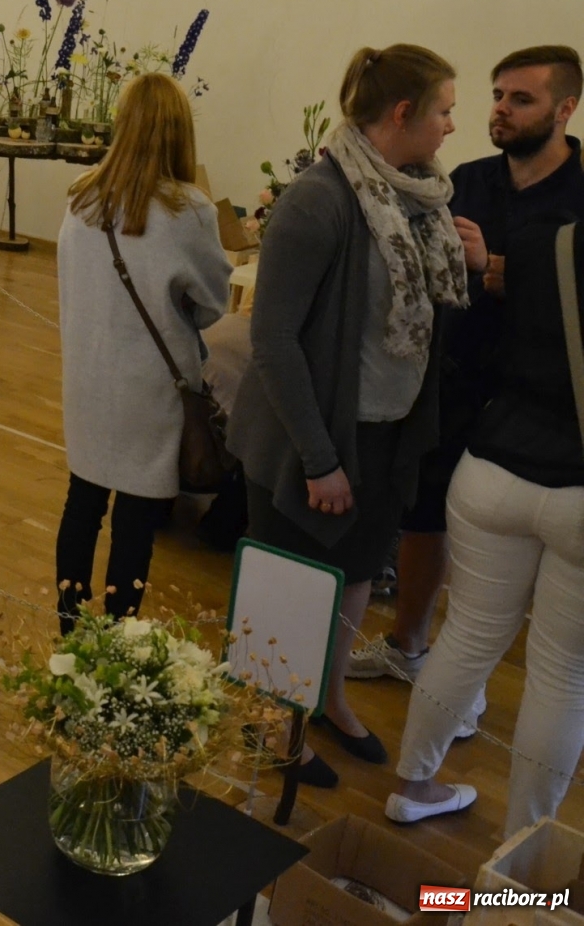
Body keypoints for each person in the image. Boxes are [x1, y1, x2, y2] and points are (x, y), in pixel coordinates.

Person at [227, 44, 479, 786]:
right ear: (402, 114)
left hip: (385, 433)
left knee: (357, 576)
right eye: (443, 110)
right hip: (310, 438)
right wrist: (319, 458)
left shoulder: (420, 196)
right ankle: (274, 722)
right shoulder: (321, 197)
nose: (451, 126)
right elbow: (270, 339)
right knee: (289, 588)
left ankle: (330, 700)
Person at [351, 47, 584, 700]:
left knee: (508, 568)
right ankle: (411, 645)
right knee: (424, 517)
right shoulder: (472, 179)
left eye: (522, 99)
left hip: (539, 407)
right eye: (498, 95)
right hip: (453, 378)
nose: (501, 110)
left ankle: (472, 675)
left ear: (566, 109)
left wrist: (495, 266)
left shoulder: (580, 197)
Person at [388, 218, 584, 832]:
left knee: (466, 637)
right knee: (561, 676)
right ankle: (523, 864)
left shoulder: (540, 242)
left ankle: (412, 785)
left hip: (493, 464)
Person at [53, 74, 232, 635]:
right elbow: (212, 303)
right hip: (151, 383)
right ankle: (117, 637)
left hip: (87, 373)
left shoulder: (82, 195)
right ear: (180, 132)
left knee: (83, 500)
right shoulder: (190, 210)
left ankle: (70, 631)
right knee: (135, 517)